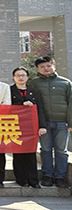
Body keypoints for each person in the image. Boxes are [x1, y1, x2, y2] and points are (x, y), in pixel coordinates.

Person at [30, 56, 72, 189]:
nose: (46, 69)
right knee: (45, 149)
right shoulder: (34, 83)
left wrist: (70, 123)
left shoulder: (66, 83)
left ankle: (60, 177)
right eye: (42, 67)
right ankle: (47, 175)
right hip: (43, 123)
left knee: (61, 151)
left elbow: (71, 104)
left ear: (54, 66)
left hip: (62, 123)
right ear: (37, 69)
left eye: (48, 66)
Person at [11, 66, 47, 188]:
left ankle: (33, 180)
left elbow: (40, 109)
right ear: (13, 77)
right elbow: (6, 107)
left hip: (31, 127)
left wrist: (42, 126)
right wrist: (21, 105)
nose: (20, 78)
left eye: (23, 75)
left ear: (27, 77)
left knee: (31, 153)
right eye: (18, 75)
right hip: (15, 126)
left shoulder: (34, 91)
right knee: (18, 153)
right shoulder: (10, 90)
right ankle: (22, 180)